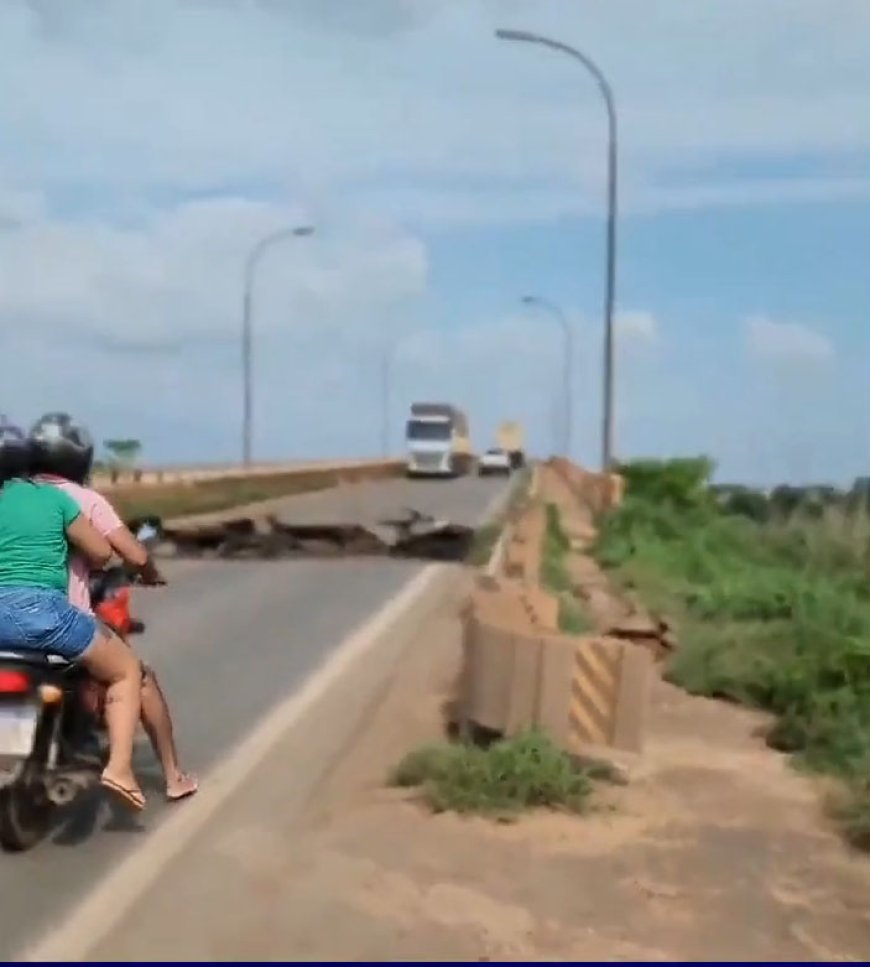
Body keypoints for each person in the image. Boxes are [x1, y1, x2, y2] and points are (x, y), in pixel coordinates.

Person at [28, 412, 197, 802]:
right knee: (134, 675)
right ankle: (167, 776)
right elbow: (131, 553)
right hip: (60, 623)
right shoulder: (83, 501)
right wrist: (149, 571)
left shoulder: (11, 498)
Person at [0, 422, 146, 811]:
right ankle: (117, 767)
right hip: (44, 616)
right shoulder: (55, 500)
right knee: (123, 669)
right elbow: (102, 553)